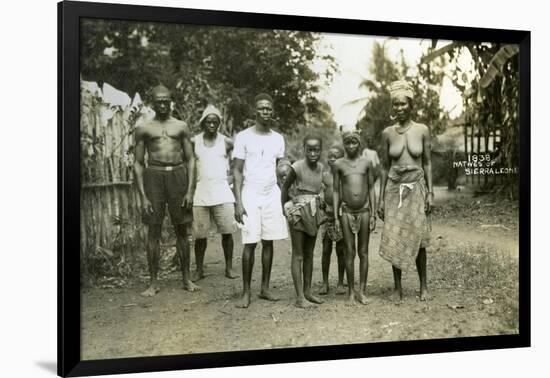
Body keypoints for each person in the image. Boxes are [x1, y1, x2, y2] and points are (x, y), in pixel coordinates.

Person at [134, 85, 199, 296]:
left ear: (171, 101)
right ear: (152, 103)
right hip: (154, 176)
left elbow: (190, 159)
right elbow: (137, 163)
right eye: (158, 101)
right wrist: (143, 195)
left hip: (177, 176)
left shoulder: (181, 126)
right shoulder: (144, 128)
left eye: (166, 100)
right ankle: (153, 283)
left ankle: (187, 279)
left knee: (182, 230)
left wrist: (189, 191)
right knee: (153, 230)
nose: (162, 104)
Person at [377, 80, 433, 302]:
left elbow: (427, 162)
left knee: (419, 240)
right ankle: (397, 288)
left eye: (403, 104)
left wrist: (430, 192)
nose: (399, 108)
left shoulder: (422, 130)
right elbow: (383, 167)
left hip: (417, 187)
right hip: (393, 189)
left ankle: (423, 287)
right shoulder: (387, 133)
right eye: (395, 104)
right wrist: (381, 199)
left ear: (411, 104)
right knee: (394, 236)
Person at [232, 93, 289, 308]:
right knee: (249, 242)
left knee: (269, 241)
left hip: (271, 193)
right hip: (250, 193)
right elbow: (237, 171)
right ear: (255, 111)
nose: (266, 112)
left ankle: (264, 288)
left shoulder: (278, 138)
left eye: (269, 109)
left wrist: (284, 195)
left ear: (272, 112)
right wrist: (238, 202)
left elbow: (280, 168)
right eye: (262, 108)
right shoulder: (244, 137)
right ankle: (246, 292)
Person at [190, 105, 238, 282]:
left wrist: (233, 175)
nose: (212, 124)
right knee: (200, 234)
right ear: (203, 123)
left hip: (222, 192)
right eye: (208, 121)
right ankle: (199, 269)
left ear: (219, 123)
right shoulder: (194, 141)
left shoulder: (226, 142)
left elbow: (241, 158)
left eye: (215, 122)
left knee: (227, 232)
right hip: (201, 192)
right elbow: (187, 162)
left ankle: (229, 267)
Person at [281, 135, 327, 308]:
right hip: (298, 212)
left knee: (309, 253)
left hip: (313, 211)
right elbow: (285, 187)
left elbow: (322, 188)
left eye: (316, 150)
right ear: (304, 149)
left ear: (321, 150)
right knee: (298, 254)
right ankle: (299, 296)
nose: (313, 153)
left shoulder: (322, 167)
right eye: (310, 150)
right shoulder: (297, 167)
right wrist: (284, 209)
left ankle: (308, 291)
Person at [332, 131, 376, 305]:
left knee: (363, 252)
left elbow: (371, 187)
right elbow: (336, 190)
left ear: (360, 144)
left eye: (354, 143)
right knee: (348, 251)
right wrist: (335, 217)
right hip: (346, 211)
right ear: (344, 145)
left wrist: (373, 214)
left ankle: (362, 291)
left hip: (364, 210)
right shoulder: (338, 165)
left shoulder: (366, 163)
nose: (351, 146)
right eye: (348, 143)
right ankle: (351, 292)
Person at [319, 145, 346, 296]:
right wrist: (321, 201)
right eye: (330, 156)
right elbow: (319, 191)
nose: (332, 159)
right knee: (326, 250)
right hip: (327, 215)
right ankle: (325, 282)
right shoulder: (324, 175)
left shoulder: (345, 176)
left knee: (341, 250)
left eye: (336, 156)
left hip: (341, 216)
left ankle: (341, 282)